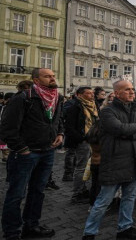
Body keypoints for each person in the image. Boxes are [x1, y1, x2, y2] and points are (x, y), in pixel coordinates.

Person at [0, 68, 64, 240]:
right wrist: (22, 149)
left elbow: (57, 120)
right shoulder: (23, 98)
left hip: (47, 151)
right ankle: (12, 232)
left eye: (53, 76)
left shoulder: (56, 97)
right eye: (47, 76)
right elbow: (7, 128)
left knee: (38, 191)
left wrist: (60, 134)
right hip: (25, 154)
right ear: (36, 80)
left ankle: (31, 226)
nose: (52, 78)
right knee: (16, 194)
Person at [82, 80, 136, 239]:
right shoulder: (107, 111)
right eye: (127, 90)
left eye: (132, 89)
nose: (132, 92)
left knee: (129, 197)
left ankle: (125, 228)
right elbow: (119, 129)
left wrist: (131, 134)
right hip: (115, 161)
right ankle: (89, 233)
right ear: (117, 93)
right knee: (103, 201)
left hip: (134, 161)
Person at [64, 86, 97, 204]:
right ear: (79, 95)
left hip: (94, 140)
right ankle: (77, 193)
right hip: (83, 141)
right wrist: (82, 138)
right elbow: (70, 126)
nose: (91, 95)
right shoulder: (75, 106)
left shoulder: (93, 105)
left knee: (91, 166)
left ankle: (83, 189)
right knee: (81, 167)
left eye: (92, 93)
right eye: (88, 93)